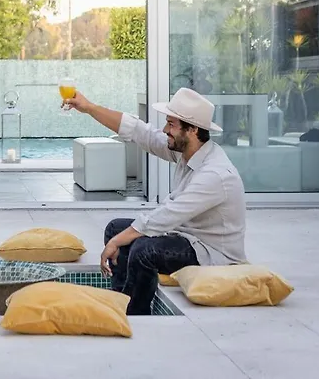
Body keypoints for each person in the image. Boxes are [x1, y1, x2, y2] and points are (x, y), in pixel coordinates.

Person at [65, 87, 247, 315]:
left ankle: (136, 314)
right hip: (186, 238)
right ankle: (121, 300)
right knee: (115, 229)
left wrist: (118, 242)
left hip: (211, 253)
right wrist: (89, 107)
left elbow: (166, 216)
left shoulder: (215, 174)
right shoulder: (188, 150)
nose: (165, 130)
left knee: (144, 249)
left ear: (192, 130)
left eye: (171, 124)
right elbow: (140, 132)